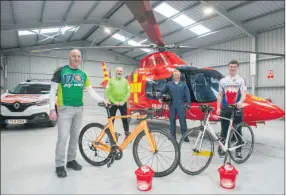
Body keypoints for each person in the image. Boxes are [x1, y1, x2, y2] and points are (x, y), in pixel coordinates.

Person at [49, 49, 109, 178]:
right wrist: (51, 109)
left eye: (79, 56)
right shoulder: (60, 71)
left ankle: (71, 160)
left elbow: (91, 91)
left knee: (74, 136)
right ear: (69, 57)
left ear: (81, 58)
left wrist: (102, 100)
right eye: (74, 56)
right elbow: (52, 92)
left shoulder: (83, 74)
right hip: (64, 109)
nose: (77, 58)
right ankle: (59, 165)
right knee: (63, 138)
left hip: (79, 109)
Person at [216, 60, 246, 159]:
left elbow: (243, 94)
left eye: (234, 67)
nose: (232, 68)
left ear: (237, 68)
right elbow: (220, 95)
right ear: (228, 67)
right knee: (224, 129)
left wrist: (241, 102)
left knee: (238, 129)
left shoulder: (241, 80)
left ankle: (238, 150)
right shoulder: (223, 81)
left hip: (237, 108)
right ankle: (223, 147)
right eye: (231, 66)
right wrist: (218, 107)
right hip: (225, 108)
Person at [160, 69, 191, 142]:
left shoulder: (184, 84)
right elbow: (162, 92)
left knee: (183, 121)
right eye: (175, 75)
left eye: (178, 75)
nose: (177, 76)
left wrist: (188, 103)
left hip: (181, 105)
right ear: (173, 76)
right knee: (172, 121)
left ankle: (185, 136)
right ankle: (172, 136)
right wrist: (162, 98)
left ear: (180, 76)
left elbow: (187, 94)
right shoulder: (169, 84)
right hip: (172, 105)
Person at [105, 66, 130, 139]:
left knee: (125, 119)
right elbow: (107, 92)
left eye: (120, 71)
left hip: (123, 103)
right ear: (115, 72)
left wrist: (123, 101)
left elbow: (128, 92)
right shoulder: (111, 80)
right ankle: (110, 135)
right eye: (118, 71)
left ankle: (127, 135)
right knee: (111, 119)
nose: (119, 72)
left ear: (122, 72)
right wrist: (114, 101)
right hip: (113, 103)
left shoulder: (125, 81)